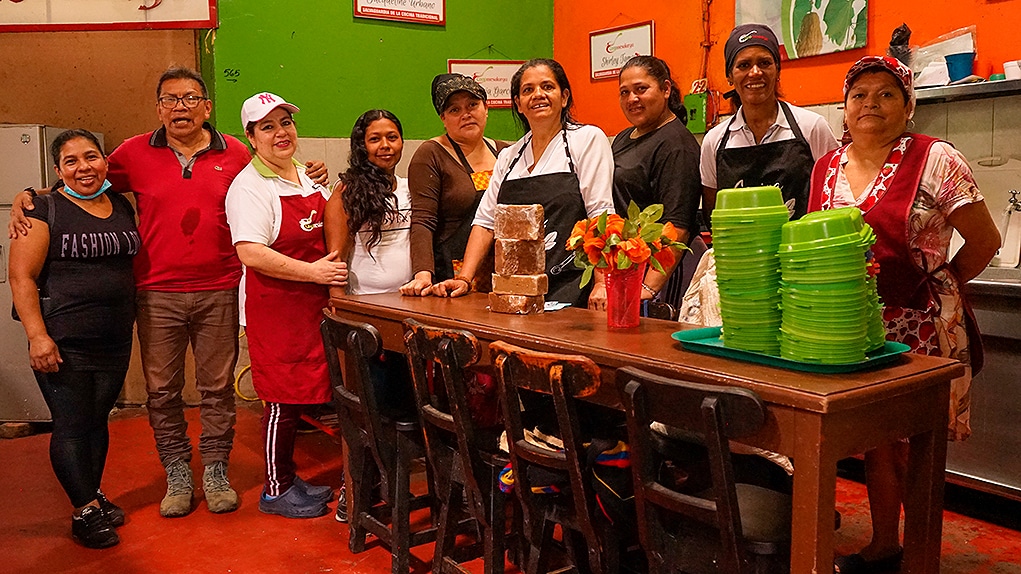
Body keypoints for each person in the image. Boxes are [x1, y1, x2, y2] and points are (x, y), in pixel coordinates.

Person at [8, 67, 329, 519]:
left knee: (217, 388)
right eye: (171, 99)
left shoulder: (236, 152)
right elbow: (87, 177)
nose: (181, 107)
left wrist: (312, 168)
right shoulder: (133, 152)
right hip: (156, 292)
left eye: (191, 98)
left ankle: (215, 469)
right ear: (158, 108)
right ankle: (177, 470)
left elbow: (275, 169)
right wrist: (30, 196)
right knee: (162, 390)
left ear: (207, 107)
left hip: (220, 288)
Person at [807, 56, 1000, 573]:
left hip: (920, 323)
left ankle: (920, 554)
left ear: (909, 105)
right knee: (875, 442)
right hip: (851, 324)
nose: (870, 104)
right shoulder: (826, 167)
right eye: (859, 95)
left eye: (886, 94)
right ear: (845, 108)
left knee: (917, 446)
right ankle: (884, 545)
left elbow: (985, 240)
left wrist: (942, 285)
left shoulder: (936, 158)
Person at [9, 130, 141, 548]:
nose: (84, 167)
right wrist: (37, 337)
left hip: (114, 336)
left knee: (97, 420)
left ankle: (92, 493)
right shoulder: (42, 209)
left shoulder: (119, 203)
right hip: (63, 339)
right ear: (58, 169)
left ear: (105, 161)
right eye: (71, 161)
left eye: (91, 157)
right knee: (71, 424)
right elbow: (21, 277)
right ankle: (83, 510)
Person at [225, 92, 343, 519]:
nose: (281, 133)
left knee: (304, 394)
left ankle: (290, 479)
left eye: (285, 123)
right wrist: (313, 273)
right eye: (268, 127)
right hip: (276, 309)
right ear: (251, 137)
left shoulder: (307, 177)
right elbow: (251, 252)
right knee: (281, 400)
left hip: (312, 306)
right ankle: (275, 489)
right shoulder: (248, 187)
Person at [432, 58, 615, 309]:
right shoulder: (509, 156)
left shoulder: (587, 139)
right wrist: (464, 278)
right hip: (513, 290)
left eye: (547, 87)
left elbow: (601, 214)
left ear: (564, 97)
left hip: (571, 285)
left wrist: (602, 283)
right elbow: (485, 222)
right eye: (528, 90)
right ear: (518, 104)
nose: (538, 95)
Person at [324, 109, 416, 521]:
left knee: (403, 407)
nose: (385, 146)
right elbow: (335, 261)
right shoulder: (346, 192)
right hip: (365, 321)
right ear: (361, 145)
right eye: (375, 138)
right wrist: (340, 315)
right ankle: (357, 488)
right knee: (367, 411)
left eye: (392, 137)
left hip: (410, 317)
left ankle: (397, 486)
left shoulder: (411, 188)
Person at [700, 23, 838, 224]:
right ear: (729, 76)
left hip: (800, 243)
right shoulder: (714, 141)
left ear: (777, 70)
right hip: (741, 244)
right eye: (744, 65)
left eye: (764, 63)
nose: (755, 72)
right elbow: (713, 214)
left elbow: (833, 197)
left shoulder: (812, 128)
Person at [401, 73, 509, 296]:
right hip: (452, 273)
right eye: (454, 110)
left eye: (472, 105)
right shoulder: (431, 154)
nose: (466, 114)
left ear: (486, 108)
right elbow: (423, 220)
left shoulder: (505, 153)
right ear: (443, 118)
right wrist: (422, 275)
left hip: (503, 270)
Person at [613, 55, 703, 308]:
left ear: (665, 89)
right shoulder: (622, 138)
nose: (632, 99)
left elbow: (678, 227)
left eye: (641, 89)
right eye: (624, 92)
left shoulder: (676, 145)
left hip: (661, 275)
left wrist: (647, 289)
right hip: (628, 266)